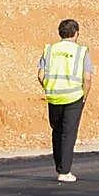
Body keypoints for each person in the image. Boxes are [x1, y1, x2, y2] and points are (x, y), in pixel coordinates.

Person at [38, 19, 94, 182]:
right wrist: (84, 96)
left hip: (54, 96)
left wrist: (49, 87)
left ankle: (59, 165)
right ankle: (64, 171)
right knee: (68, 134)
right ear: (76, 33)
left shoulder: (49, 50)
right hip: (74, 96)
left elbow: (40, 75)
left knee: (57, 131)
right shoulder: (81, 51)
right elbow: (88, 78)